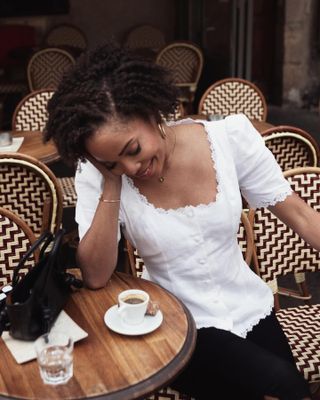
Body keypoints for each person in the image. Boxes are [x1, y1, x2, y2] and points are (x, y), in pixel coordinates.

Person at [44, 43, 317, 400]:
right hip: (174, 323)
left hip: (249, 305)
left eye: (133, 150)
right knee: (278, 384)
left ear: (150, 111)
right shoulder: (98, 176)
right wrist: (110, 181)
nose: (130, 168)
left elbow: (297, 211)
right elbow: (95, 275)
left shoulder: (229, 139)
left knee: (287, 385)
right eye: (112, 162)